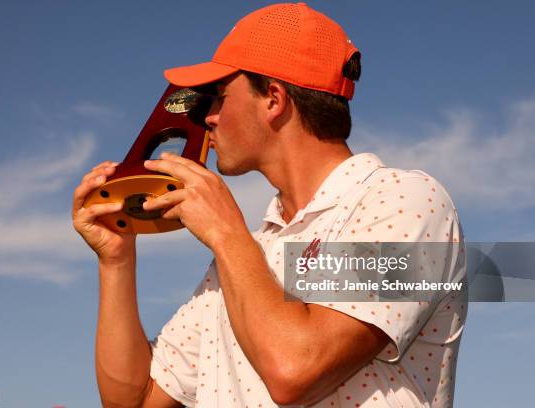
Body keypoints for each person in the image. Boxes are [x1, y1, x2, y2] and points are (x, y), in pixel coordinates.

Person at [72, 3, 467, 407]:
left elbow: (296, 371)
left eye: (219, 97)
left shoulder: (405, 201)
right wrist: (116, 261)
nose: (207, 117)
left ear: (274, 99)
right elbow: (136, 401)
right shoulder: (247, 256)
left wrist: (226, 234)